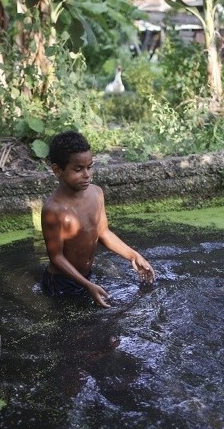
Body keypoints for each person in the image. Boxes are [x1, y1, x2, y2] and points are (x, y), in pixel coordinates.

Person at [41, 131, 155, 307]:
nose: (87, 174)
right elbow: (56, 257)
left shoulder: (96, 193)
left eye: (90, 167)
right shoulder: (54, 209)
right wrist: (88, 286)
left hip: (87, 278)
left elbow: (103, 232)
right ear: (57, 170)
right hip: (62, 283)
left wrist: (133, 255)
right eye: (78, 169)